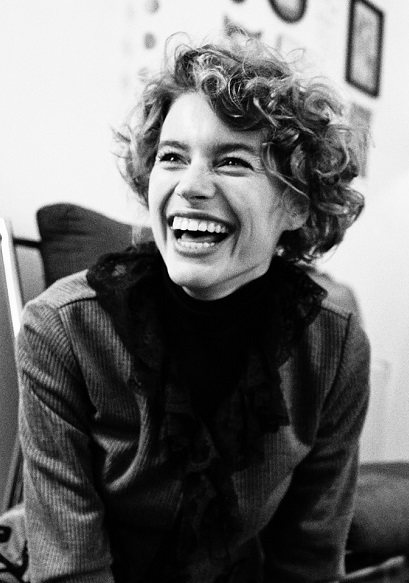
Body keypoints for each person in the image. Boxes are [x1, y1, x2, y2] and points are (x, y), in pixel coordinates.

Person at [17, 34, 370, 583]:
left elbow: (309, 561)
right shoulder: (59, 330)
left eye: (231, 161)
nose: (191, 186)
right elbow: (70, 569)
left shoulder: (335, 344)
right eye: (172, 157)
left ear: (296, 205)